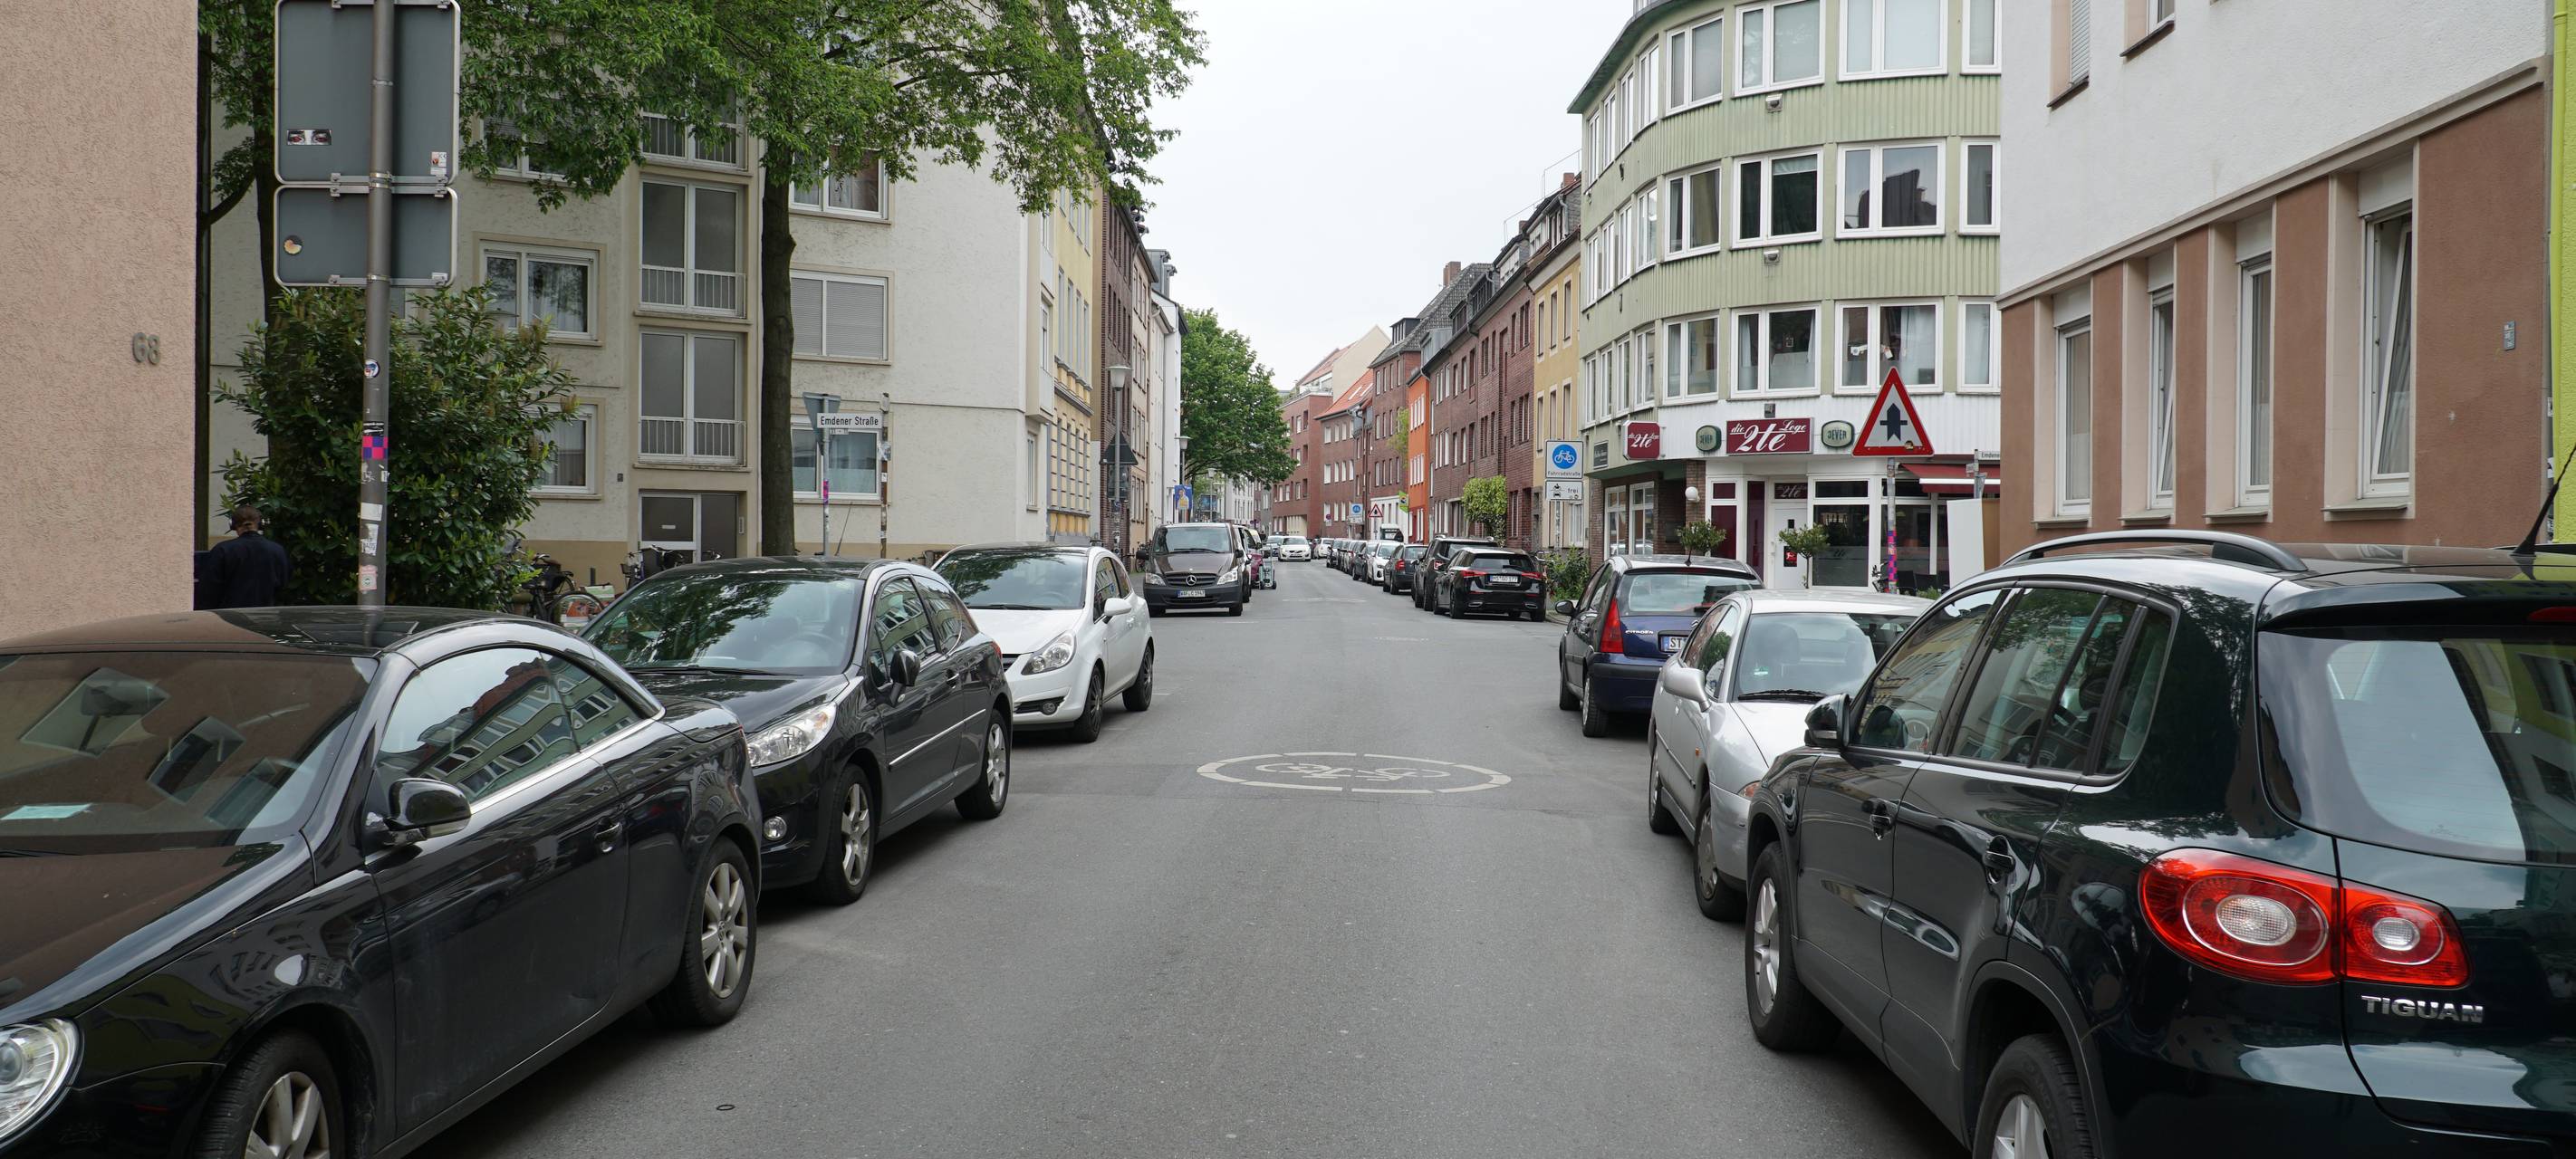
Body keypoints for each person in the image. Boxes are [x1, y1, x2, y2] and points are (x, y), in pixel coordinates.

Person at [203, 504, 293, 608]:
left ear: (232, 525)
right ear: (261, 523)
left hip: (230, 614)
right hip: (266, 613)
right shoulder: (277, 550)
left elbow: (209, 588)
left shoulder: (222, 550)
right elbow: (284, 584)